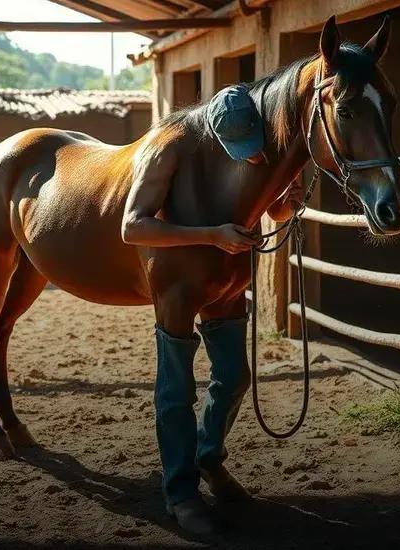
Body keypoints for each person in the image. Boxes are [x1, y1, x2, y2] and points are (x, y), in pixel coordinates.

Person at [120, 83, 303, 535]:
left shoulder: (251, 147)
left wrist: (285, 205)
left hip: (226, 282)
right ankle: (180, 492)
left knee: (235, 374)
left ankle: (207, 456)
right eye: (242, 150)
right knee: (176, 387)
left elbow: (269, 206)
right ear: (214, 134)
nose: (252, 157)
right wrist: (212, 235)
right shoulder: (170, 149)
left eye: (253, 149)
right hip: (180, 283)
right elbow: (131, 227)